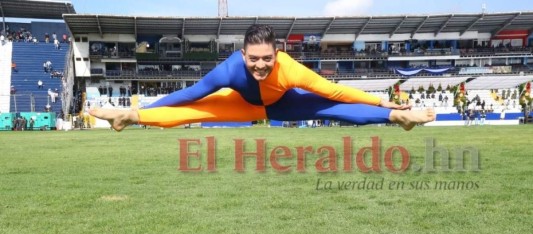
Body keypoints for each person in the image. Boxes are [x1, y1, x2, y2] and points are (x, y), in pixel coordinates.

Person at [91, 24, 434, 131]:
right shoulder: (229, 70)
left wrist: (380, 100)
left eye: (267, 58)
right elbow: (189, 95)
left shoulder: (290, 69)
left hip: (283, 105)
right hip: (242, 105)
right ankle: (129, 116)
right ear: (243, 56)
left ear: (277, 53)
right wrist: (146, 110)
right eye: (254, 59)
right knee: (193, 109)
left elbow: (337, 92)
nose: (260, 66)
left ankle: (397, 116)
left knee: (329, 106)